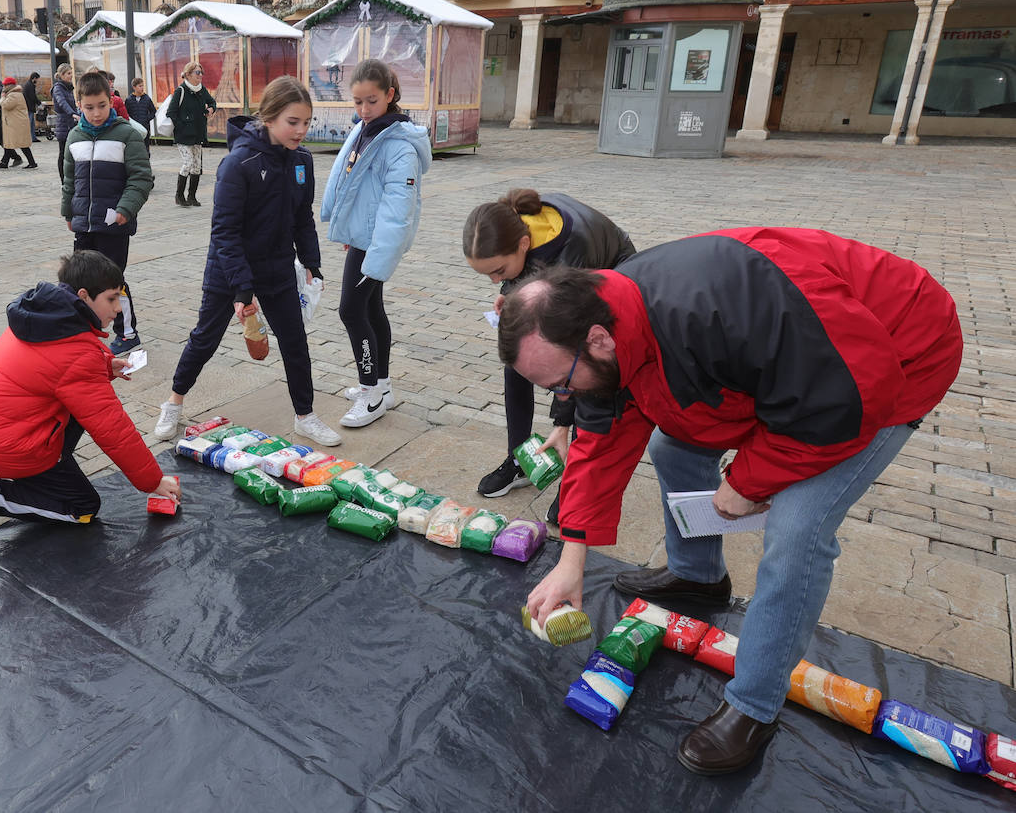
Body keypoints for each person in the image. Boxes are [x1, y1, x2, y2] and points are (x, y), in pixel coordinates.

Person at [501, 228, 963, 776]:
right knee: (670, 444)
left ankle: (754, 704)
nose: (564, 399)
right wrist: (570, 562)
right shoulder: (606, 326)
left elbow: (844, 396)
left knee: (797, 528)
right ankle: (699, 575)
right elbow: (599, 445)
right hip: (797, 369)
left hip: (889, 359)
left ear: (598, 340)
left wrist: (748, 481)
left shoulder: (718, 304)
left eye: (562, 383)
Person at [152, 76, 340, 448]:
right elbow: (225, 231)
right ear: (269, 118)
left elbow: (303, 217)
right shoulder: (238, 164)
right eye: (293, 122)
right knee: (205, 339)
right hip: (229, 270)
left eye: (307, 122)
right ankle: (173, 402)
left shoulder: (302, 161)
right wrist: (241, 288)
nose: (301, 130)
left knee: (294, 343)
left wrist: (311, 263)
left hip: (278, 269)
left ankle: (305, 416)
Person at [0, 249, 182, 544]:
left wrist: (103, 366)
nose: (117, 309)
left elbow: (49, 369)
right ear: (85, 295)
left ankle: (36, 473)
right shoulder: (74, 353)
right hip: (9, 445)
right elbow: (113, 429)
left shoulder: (44, 317)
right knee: (83, 508)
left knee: (80, 409)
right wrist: (153, 481)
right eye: (112, 299)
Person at [463, 188, 636, 513]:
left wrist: (561, 421)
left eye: (498, 271)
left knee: (589, 378)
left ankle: (576, 480)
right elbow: (526, 273)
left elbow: (572, 348)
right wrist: (511, 294)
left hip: (612, 273)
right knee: (517, 359)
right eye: (487, 274)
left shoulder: (574, 250)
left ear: (523, 245)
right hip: (552, 271)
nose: (493, 281)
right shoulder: (515, 228)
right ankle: (519, 460)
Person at [320, 59, 431, 430]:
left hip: (376, 245)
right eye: (357, 102)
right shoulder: (367, 129)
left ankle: (370, 393)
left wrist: (378, 258)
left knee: (351, 312)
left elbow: (397, 209)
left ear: (390, 95)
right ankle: (382, 385)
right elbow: (350, 181)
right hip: (364, 239)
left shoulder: (399, 145)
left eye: (371, 101)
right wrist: (347, 227)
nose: (364, 109)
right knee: (371, 310)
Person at [62, 71, 153, 356]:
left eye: (102, 105)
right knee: (79, 281)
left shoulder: (127, 134)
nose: (97, 112)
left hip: (114, 225)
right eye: (89, 107)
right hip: (84, 226)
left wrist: (126, 208)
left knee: (113, 282)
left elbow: (141, 178)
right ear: (79, 105)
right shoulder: (74, 137)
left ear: (111, 101)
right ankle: (83, 331)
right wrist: (68, 211)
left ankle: (127, 333)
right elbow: (68, 180)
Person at [165, 60, 216, 207]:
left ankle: (192, 197)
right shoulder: (180, 91)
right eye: (197, 72)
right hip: (183, 136)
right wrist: (182, 126)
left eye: (201, 72)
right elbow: (171, 112)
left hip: (198, 134)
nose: (200, 75)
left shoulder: (202, 90)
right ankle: (179, 196)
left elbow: (212, 102)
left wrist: (210, 109)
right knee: (187, 164)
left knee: (196, 166)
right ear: (188, 74)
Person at [0, 76, 36, 169]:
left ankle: (31, 162)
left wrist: (2, 98)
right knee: (11, 144)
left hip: (16, 124)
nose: (4, 87)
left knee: (19, 144)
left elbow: (6, 105)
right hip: (15, 123)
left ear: (9, 86)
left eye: (5, 85)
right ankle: (5, 162)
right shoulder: (14, 93)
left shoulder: (14, 95)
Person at [52, 64, 79, 181]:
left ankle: (71, 177)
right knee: (63, 152)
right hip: (63, 124)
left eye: (71, 74)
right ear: (62, 75)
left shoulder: (69, 88)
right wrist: (72, 113)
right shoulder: (58, 88)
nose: (71, 76)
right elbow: (62, 102)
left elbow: (72, 104)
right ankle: (63, 180)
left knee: (71, 152)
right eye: (68, 74)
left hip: (71, 123)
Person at [125, 76, 156, 154]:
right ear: (134, 87)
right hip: (133, 129)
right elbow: (126, 114)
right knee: (134, 147)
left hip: (145, 128)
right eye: (140, 86)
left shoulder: (147, 99)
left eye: (143, 86)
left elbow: (153, 111)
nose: (142, 88)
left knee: (145, 148)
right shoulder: (129, 100)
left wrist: (146, 119)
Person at [23, 71, 40, 142]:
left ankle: (33, 137)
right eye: (37, 79)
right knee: (30, 123)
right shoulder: (30, 85)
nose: (37, 81)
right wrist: (39, 103)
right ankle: (30, 138)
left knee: (31, 123)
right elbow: (33, 97)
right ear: (34, 78)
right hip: (29, 107)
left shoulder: (28, 84)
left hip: (28, 107)